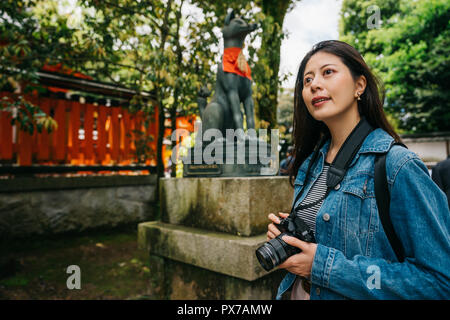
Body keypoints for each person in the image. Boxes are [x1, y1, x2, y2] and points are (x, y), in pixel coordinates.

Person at [267, 40, 450, 300]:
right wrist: (292, 234)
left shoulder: (399, 166)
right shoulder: (310, 164)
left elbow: (440, 282)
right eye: (307, 80)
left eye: (327, 72)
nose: (314, 84)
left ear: (359, 86)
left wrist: (321, 267)